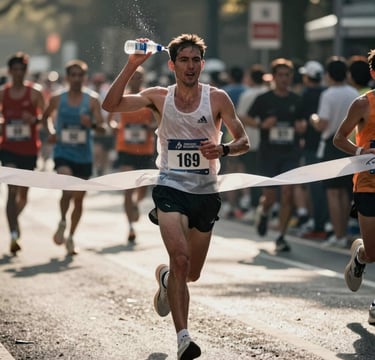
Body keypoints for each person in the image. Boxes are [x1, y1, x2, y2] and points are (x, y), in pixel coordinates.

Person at [102, 34, 249, 360]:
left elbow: (244, 141)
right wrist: (131, 65)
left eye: (196, 60)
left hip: (206, 192)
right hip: (170, 188)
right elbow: (110, 105)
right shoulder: (158, 97)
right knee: (180, 259)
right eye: (184, 60)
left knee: (190, 273)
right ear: (171, 65)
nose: (191, 66)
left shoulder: (217, 99)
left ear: (202, 64)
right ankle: (183, 338)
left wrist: (223, 148)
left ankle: (167, 279)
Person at [41, 59, 105, 255]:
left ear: (84, 78)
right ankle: (62, 220)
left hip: (83, 156)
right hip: (63, 152)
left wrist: (91, 125)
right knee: (67, 187)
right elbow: (45, 118)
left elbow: (103, 129)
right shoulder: (57, 99)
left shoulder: (92, 100)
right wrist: (51, 132)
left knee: (79, 199)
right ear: (67, 77)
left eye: (80, 75)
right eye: (73, 75)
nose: (77, 79)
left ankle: (70, 236)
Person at [333, 49, 375, 326]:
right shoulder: (363, 104)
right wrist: (361, 150)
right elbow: (339, 139)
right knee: (373, 252)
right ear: (373, 73)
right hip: (368, 184)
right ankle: (360, 256)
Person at [247, 58, 306, 252]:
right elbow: (244, 117)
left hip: (290, 152)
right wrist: (261, 125)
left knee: (287, 194)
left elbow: (304, 122)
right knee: (270, 197)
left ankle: (281, 236)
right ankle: (264, 212)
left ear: (291, 77)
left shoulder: (297, 100)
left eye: (287, 75)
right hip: (269, 153)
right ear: (273, 77)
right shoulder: (265, 99)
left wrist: (302, 127)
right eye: (280, 75)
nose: (284, 79)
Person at [310, 56, 358, 248]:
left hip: (332, 144)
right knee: (346, 192)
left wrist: (313, 119)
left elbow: (323, 124)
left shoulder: (328, 94)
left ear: (329, 75)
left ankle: (337, 235)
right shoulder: (353, 92)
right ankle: (344, 232)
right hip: (349, 144)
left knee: (332, 192)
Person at [0, 52, 45, 255]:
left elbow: (44, 119)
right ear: (10, 71)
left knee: (23, 196)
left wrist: (34, 120)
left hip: (28, 150)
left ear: (25, 71)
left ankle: (13, 221)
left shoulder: (35, 93)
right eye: (15, 70)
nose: (18, 74)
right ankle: (13, 233)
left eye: (22, 70)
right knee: (11, 190)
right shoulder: (3, 93)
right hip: (8, 148)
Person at [109, 66, 157, 244]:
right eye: (134, 77)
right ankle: (130, 227)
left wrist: (148, 128)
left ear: (143, 79)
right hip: (125, 148)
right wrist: (116, 128)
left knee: (142, 188)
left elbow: (157, 122)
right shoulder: (122, 98)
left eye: (139, 77)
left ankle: (136, 203)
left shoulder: (149, 99)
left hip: (144, 149)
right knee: (128, 188)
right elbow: (111, 121)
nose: (136, 80)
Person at [298, 60, 329, 239]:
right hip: (329, 146)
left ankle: (318, 224)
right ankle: (325, 223)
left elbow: (301, 122)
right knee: (329, 188)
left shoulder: (306, 94)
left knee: (315, 187)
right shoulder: (326, 92)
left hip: (311, 145)